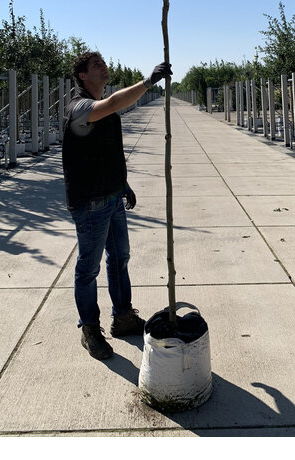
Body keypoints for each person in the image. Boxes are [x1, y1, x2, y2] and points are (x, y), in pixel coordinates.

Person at [62, 51, 172, 360]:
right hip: (90, 204)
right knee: (88, 267)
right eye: (95, 64)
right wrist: (149, 81)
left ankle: (123, 316)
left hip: (111, 198)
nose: (103, 66)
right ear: (83, 76)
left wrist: (122, 184)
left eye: (102, 62)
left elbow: (108, 152)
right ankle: (89, 329)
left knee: (120, 257)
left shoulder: (104, 110)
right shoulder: (80, 107)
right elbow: (111, 104)